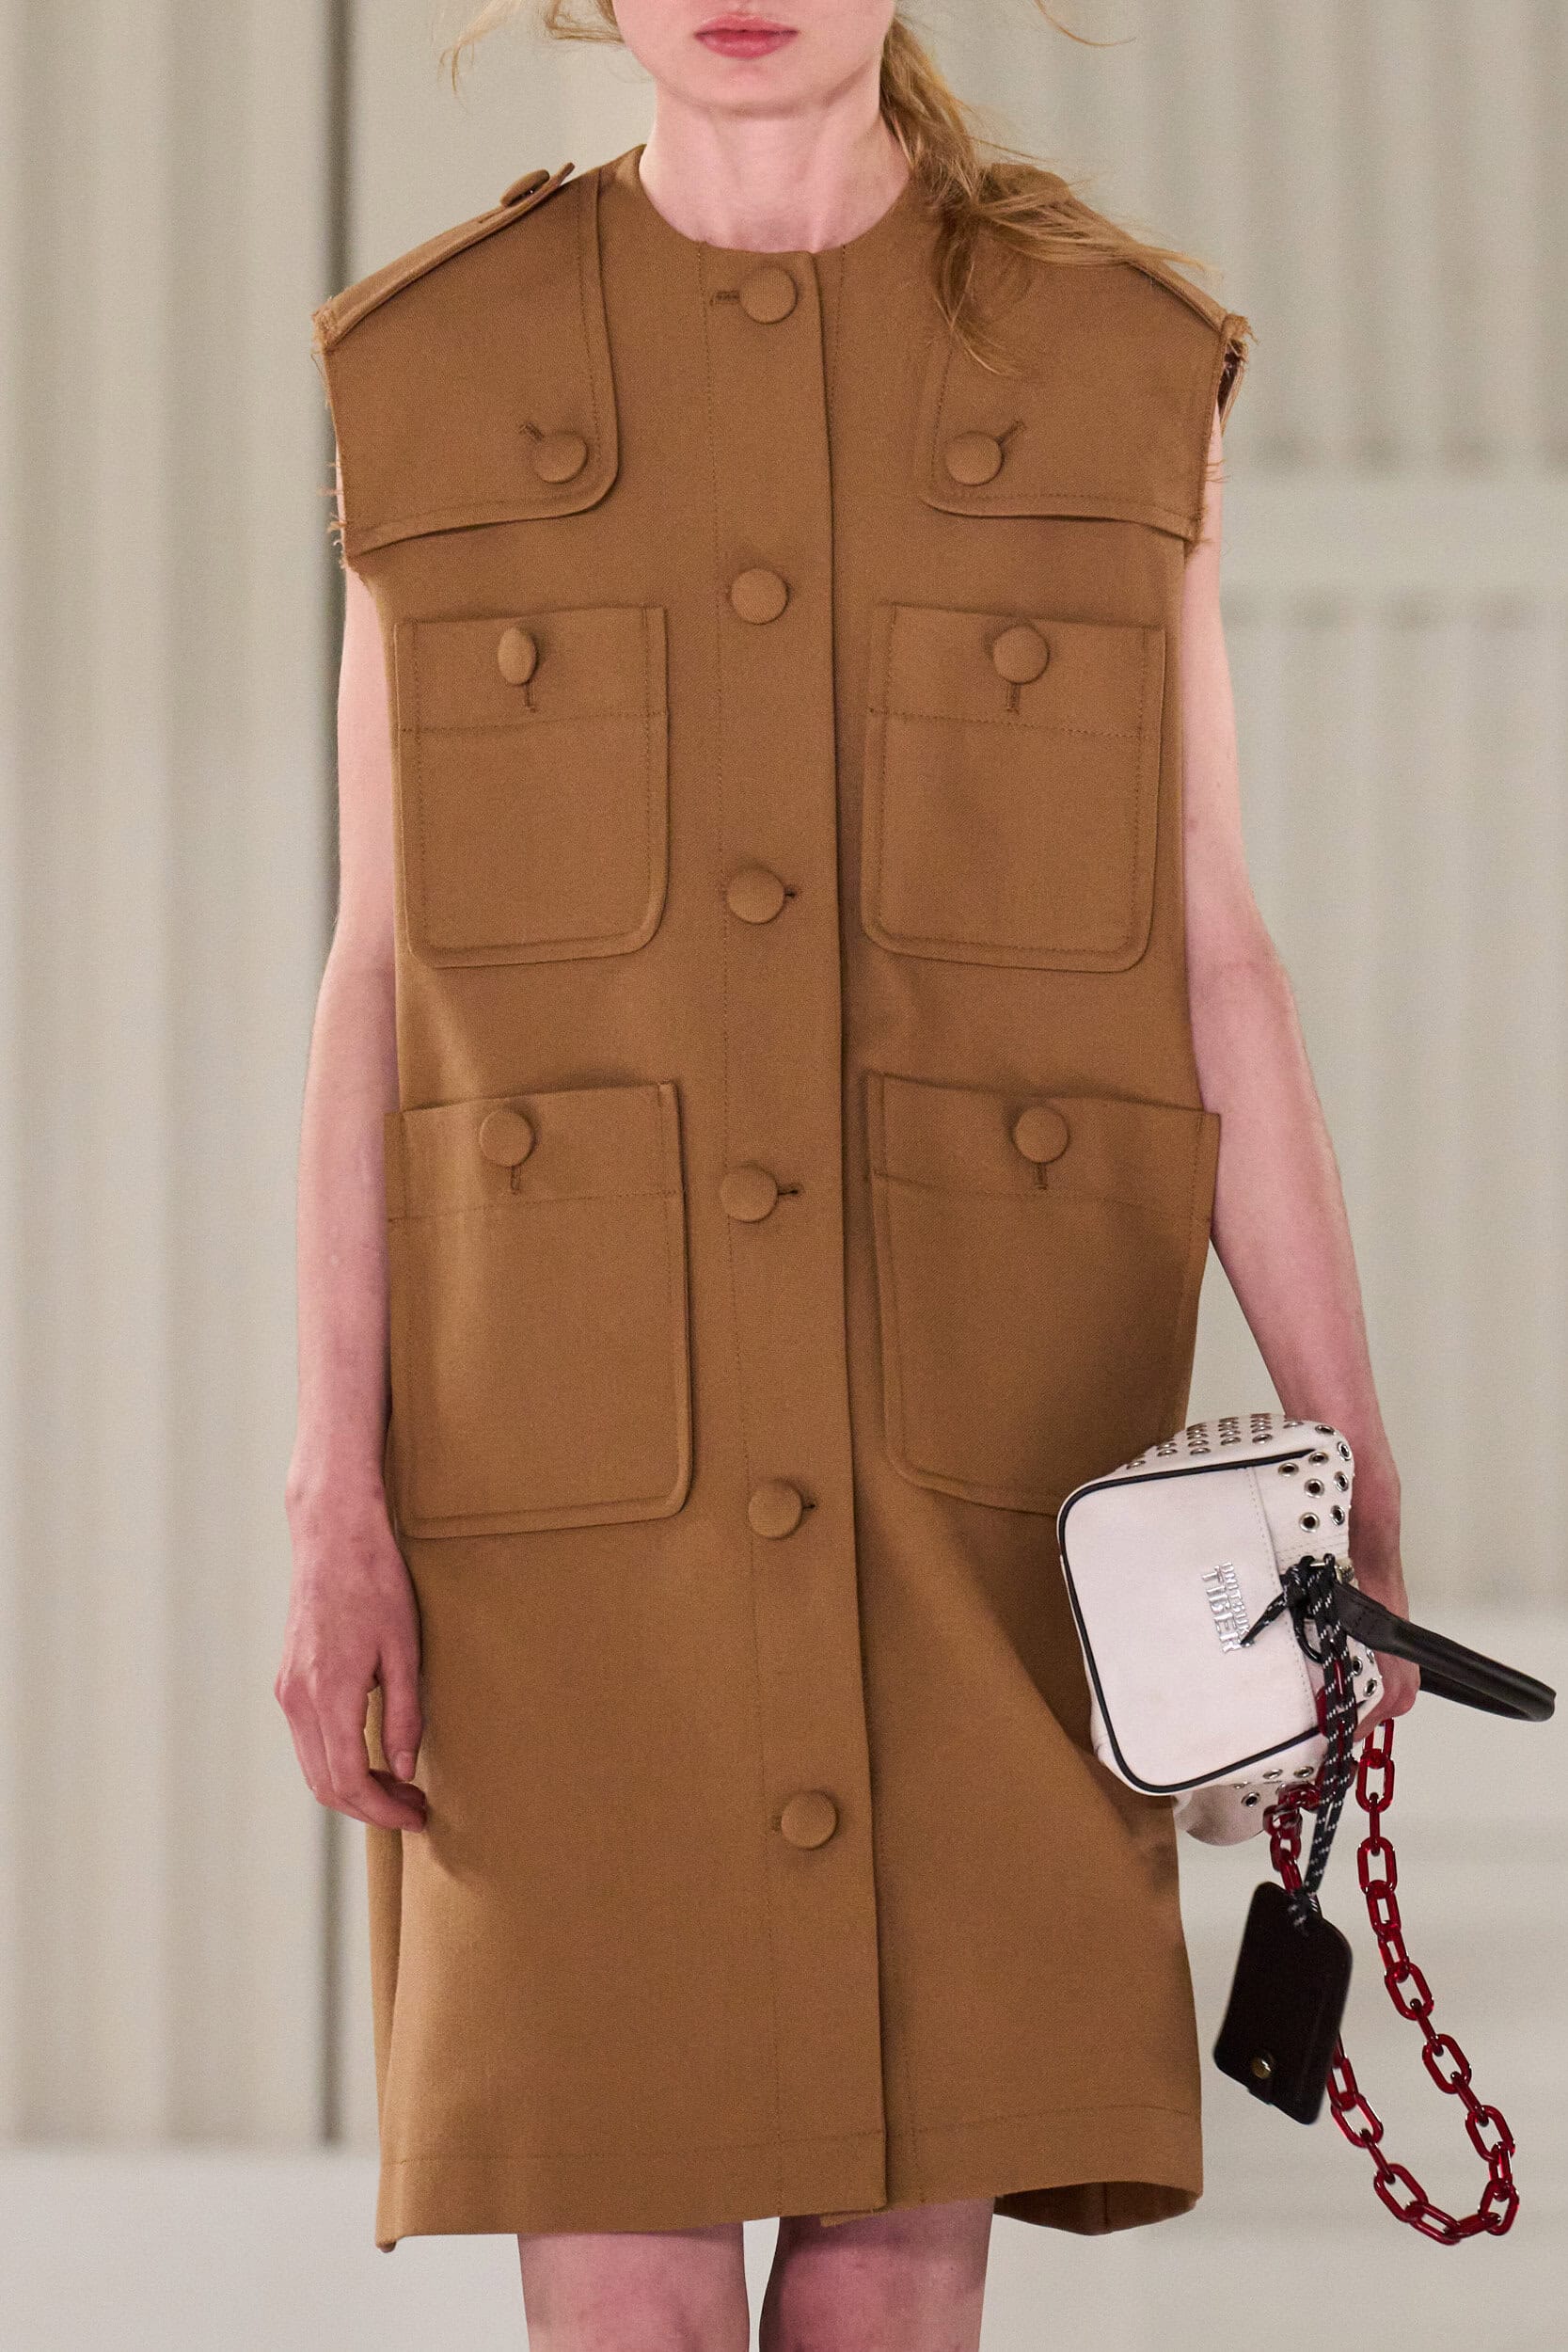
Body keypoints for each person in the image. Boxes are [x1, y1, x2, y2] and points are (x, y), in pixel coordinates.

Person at [277, 5, 1419, 2345]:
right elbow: (378, 973)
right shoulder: (434, 371)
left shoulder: (1116, 372)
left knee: (890, 2304)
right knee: (627, 2305)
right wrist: (330, 1495)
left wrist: (1355, 1462)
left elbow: (1211, 944)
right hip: (562, 1521)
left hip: (980, 1487)